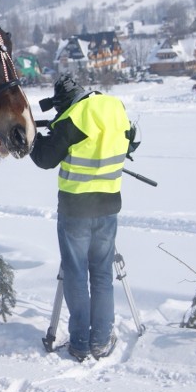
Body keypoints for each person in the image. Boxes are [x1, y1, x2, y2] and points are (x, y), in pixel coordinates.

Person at [30, 73, 130, 361]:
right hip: (108, 207)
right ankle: (100, 341)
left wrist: (35, 138)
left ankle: (79, 343)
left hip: (76, 210)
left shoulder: (71, 119)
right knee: (102, 275)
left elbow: (45, 159)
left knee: (75, 275)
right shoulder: (115, 109)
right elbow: (131, 141)